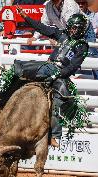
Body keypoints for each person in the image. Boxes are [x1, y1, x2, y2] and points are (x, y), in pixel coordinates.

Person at [17, 6, 89, 147]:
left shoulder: (82, 46)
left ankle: (54, 135)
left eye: (75, 28)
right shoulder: (61, 34)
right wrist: (26, 17)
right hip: (49, 66)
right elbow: (42, 28)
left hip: (61, 73)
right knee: (21, 68)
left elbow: (73, 66)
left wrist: (58, 74)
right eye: (71, 27)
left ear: (81, 29)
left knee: (58, 103)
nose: (72, 30)